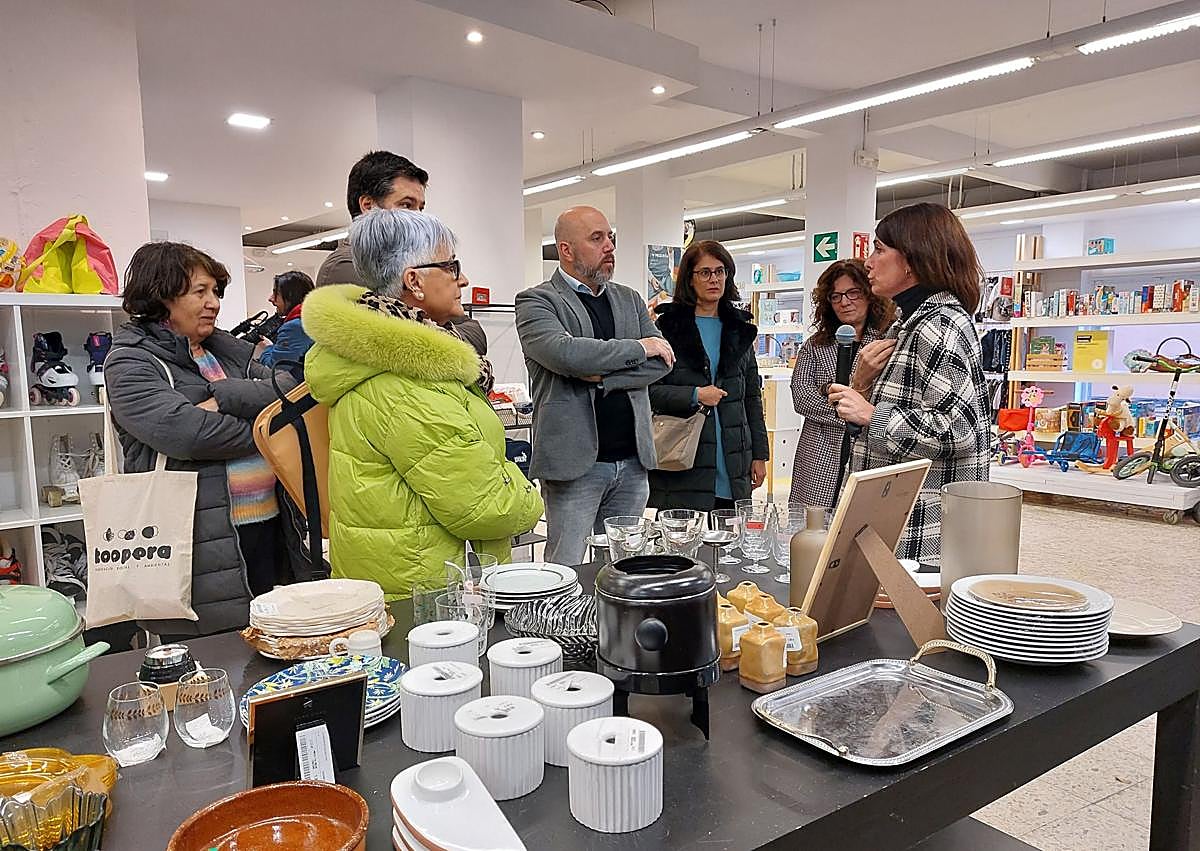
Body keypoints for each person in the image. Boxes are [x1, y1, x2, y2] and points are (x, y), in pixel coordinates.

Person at [304, 209, 543, 598]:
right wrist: (529, 492)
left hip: (402, 577)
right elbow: (485, 505)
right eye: (451, 266)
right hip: (425, 596)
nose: (463, 279)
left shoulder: (388, 361)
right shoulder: (409, 382)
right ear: (413, 280)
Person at [105, 242, 306, 637]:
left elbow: (293, 390)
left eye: (215, 291)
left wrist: (225, 397)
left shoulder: (228, 350)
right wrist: (265, 426)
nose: (213, 302)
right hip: (196, 543)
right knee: (207, 667)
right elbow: (189, 434)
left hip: (269, 530)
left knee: (272, 650)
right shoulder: (131, 361)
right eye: (200, 291)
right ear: (162, 294)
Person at [827, 203, 991, 565]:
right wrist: (864, 384)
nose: (868, 262)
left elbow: (959, 430)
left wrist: (873, 415)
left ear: (914, 260)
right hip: (899, 518)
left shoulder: (938, 326)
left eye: (880, 250)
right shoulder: (910, 322)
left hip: (920, 531)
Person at [516, 206, 675, 565]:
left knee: (622, 565)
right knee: (566, 565)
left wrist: (602, 376)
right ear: (566, 250)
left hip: (633, 461)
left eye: (610, 237)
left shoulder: (629, 298)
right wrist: (637, 348)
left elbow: (662, 362)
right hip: (574, 464)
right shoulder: (537, 301)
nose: (609, 246)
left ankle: (610, 624)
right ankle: (559, 622)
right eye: (596, 238)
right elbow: (567, 354)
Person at [316, 149, 486, 355]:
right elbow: (401, 342)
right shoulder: (346, 267)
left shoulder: (419, 258)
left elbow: (474, 331)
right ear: (368, 206)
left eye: (420, 208)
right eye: (406, 206)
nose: (417, 217)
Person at [647, 240, 769, 510]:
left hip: (732, 454)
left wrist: (760, 455)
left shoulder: (740, 329)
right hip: (684, 454)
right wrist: (694, 395)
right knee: (683, 542)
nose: (714, 279)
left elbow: (751, 397)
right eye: (704, 272)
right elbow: (649, 391)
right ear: (690, 279)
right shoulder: (667, 328)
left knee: (728, 542)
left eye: (720, 271)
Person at [789, 259, 896, 507]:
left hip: (872, 452)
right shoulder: (815, 345)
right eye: (835, 296)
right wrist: (853, 411)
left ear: (869, 295)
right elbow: (802, 398)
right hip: (819, 456)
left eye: (852, 293)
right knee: (812, 532)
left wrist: (829, 390)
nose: (844, 302)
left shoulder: (887, 343)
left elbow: (886, 399)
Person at [257, 270, 315, 379]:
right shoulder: (312, 320)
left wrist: (267, 348)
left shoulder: (295, 327)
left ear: (291, 297)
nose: (271, 299)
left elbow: (273, 367)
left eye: (276, 293)